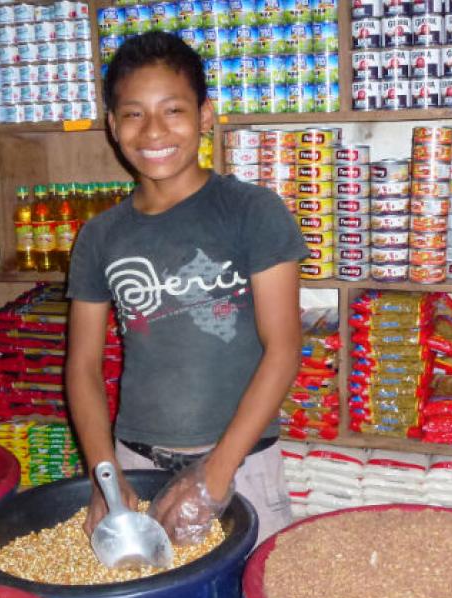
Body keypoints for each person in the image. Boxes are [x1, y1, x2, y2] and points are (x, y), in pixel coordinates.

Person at [65, 31, 308, 547]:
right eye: (133, 113)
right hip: (135, 464)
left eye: (173, 110)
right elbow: (82, 366)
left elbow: (284, 349)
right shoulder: (100, 235)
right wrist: (104, 476)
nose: (153, 131)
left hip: (243, 463)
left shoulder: (253, 212)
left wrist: (216, 474)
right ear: (112, 125)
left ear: (205, 115)